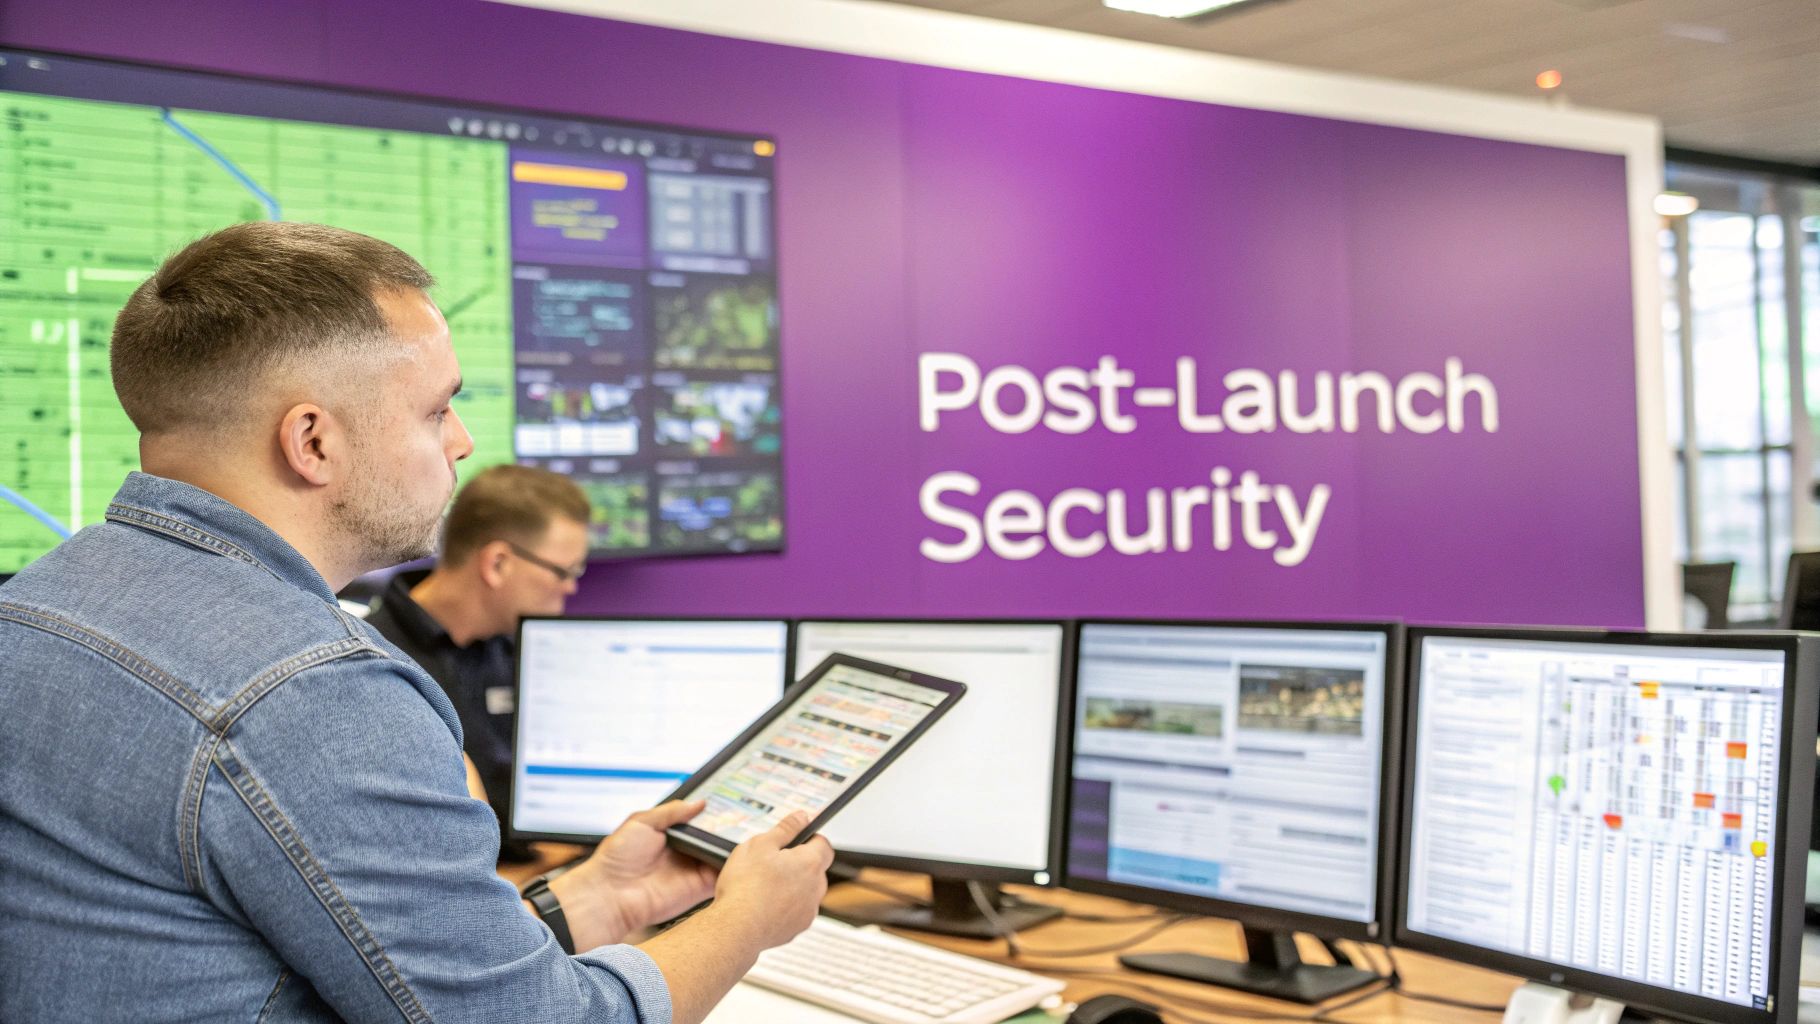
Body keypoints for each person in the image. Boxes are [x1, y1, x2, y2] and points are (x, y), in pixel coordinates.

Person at [0, 222, 831, 1023]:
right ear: (313, 442)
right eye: (437, 411)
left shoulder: (34, 607)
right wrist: (744, 920)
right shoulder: (315, 694)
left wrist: (596, 896)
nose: (463, 443)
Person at [362, 463, 590, 859]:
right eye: (562, 571)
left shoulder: (525, 651)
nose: (571, 587)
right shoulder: (371, 660)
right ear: (497, 563)